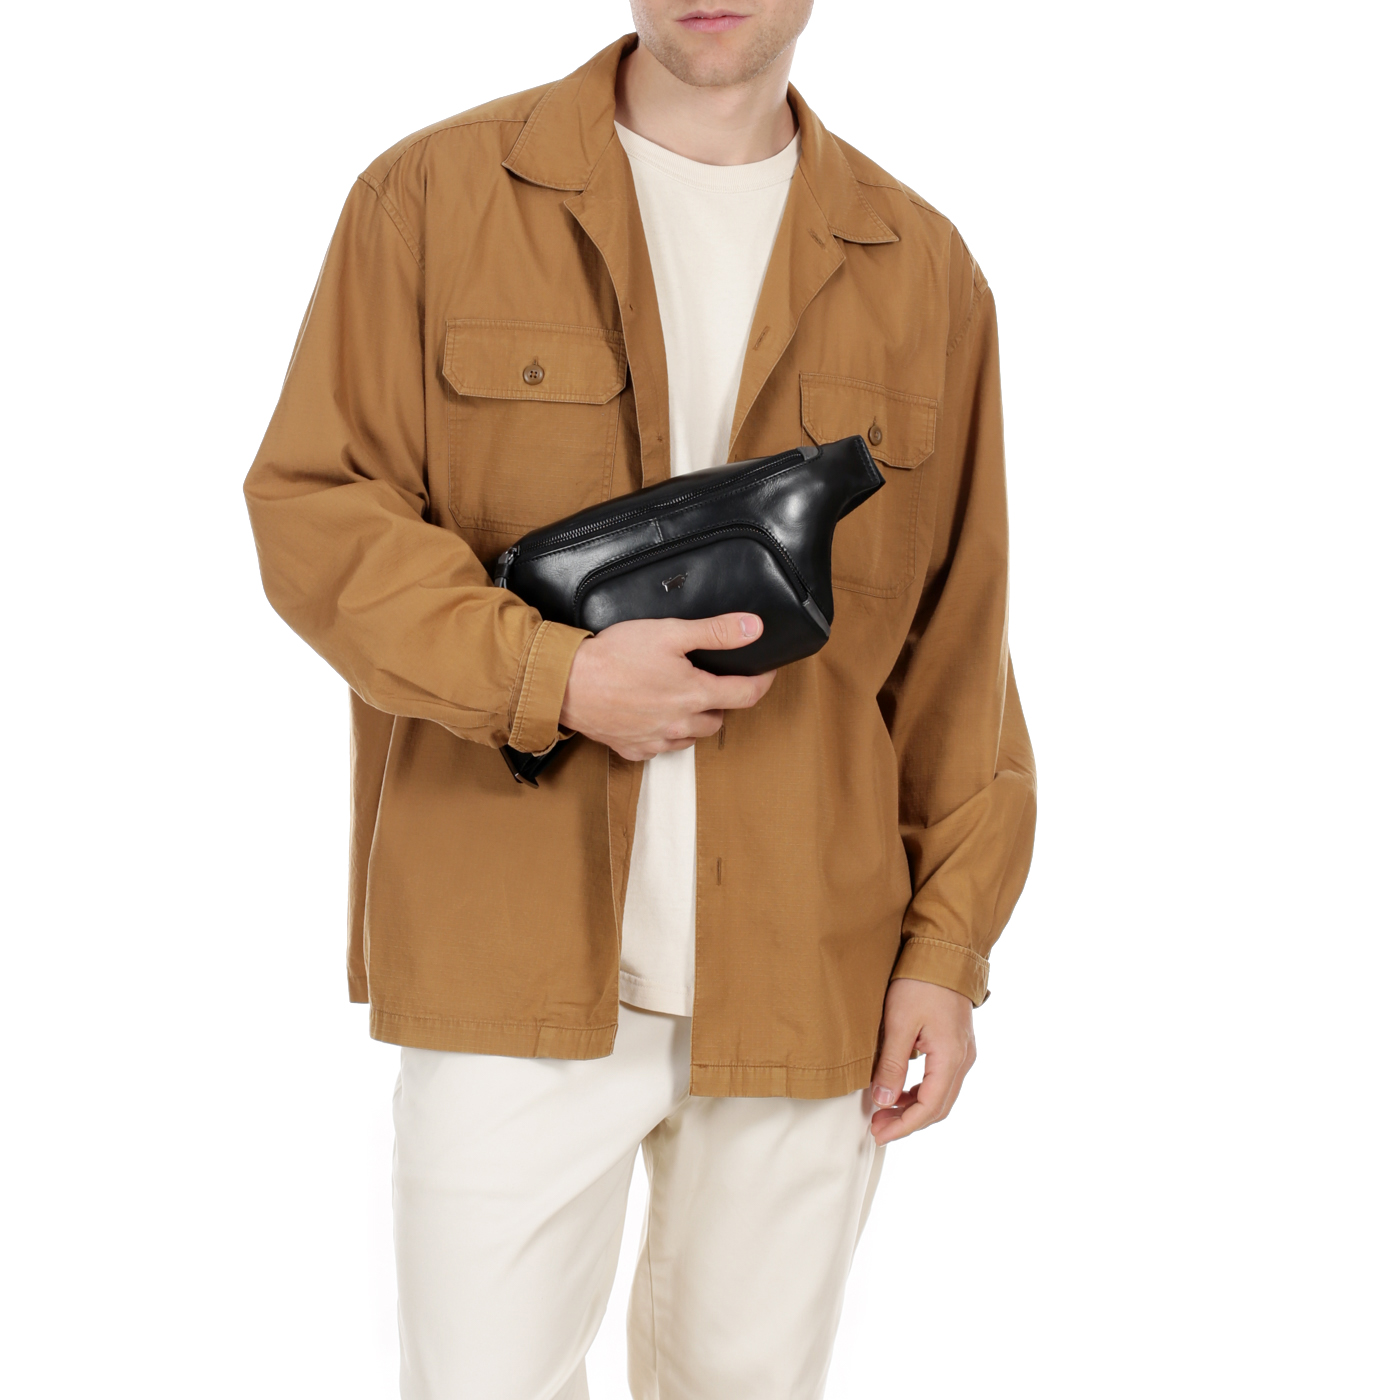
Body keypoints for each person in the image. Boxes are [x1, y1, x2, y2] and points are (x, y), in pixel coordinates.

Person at [244, 3, 1036, 1396]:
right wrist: (551, 677)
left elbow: (955, 650)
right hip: (509, 956)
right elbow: (318, 513)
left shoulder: (923, 269)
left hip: (813, 975)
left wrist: (945, 950)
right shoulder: (433, 198)